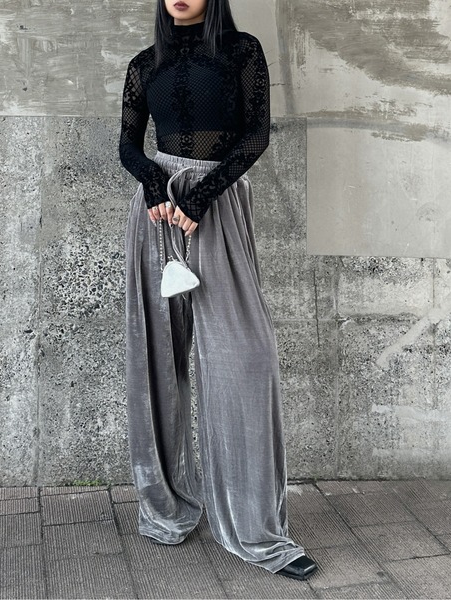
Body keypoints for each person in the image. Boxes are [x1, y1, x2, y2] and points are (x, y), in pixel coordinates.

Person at [119, 0, 318, 581]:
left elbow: (255, 135)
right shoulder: (144, 64)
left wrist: (202, 197)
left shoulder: (241, 51)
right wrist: (155, 184)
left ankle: (256, 528)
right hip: (157, 215)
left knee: (245, 359)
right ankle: (167, 507)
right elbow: (128, 144)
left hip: (217, 207)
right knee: (157, 360)